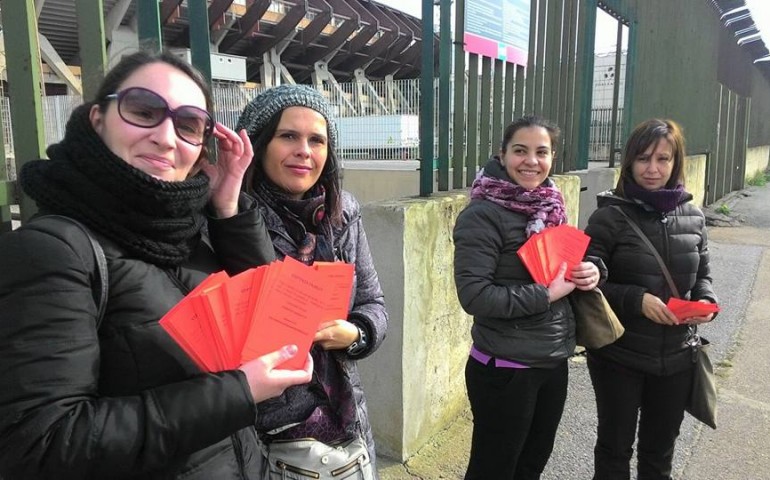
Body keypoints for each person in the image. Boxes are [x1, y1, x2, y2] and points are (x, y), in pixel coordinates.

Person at [0, 50, 313, 480]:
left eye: (188, 125)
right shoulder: (55, 249)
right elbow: (41, 444)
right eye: (144, 110)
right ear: (97, 118)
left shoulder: (189, 228)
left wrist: (228, 207)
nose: (166, 137)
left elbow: (269, 314)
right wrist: (239, 392)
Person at [235, 84, 387, 476]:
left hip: (345, 425)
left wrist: (356, 333)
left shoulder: (343, 214)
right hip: (268, 434)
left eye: (316, 139)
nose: (304, 150)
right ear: (259, 143)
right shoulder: (229, 219)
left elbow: (373, 303)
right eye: (288, 136)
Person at [453, 115, 603, 479]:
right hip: (505, 368)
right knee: (494, 470)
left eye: (542, 152)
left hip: (551, 359)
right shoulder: (482, 215)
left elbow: (563, 263)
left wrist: (593, 270)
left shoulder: (549, 204)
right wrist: (546, 294)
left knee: (531, 465)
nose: (531, 161)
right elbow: (475, 296)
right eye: (520, 151)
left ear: (553, 157)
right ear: (502, 154)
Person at [584, 118, 718, 480]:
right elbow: (588, 284)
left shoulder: (693, 216)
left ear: (677, 162)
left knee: (659, 454)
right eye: (644, 158)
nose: (653, 168)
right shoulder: (608, 216)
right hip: (619, 355)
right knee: (614, 449)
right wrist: (636, 299)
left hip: (677, 358)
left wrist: (705, 302)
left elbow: (703, 275)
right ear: (629, 163)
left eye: (663, 158)